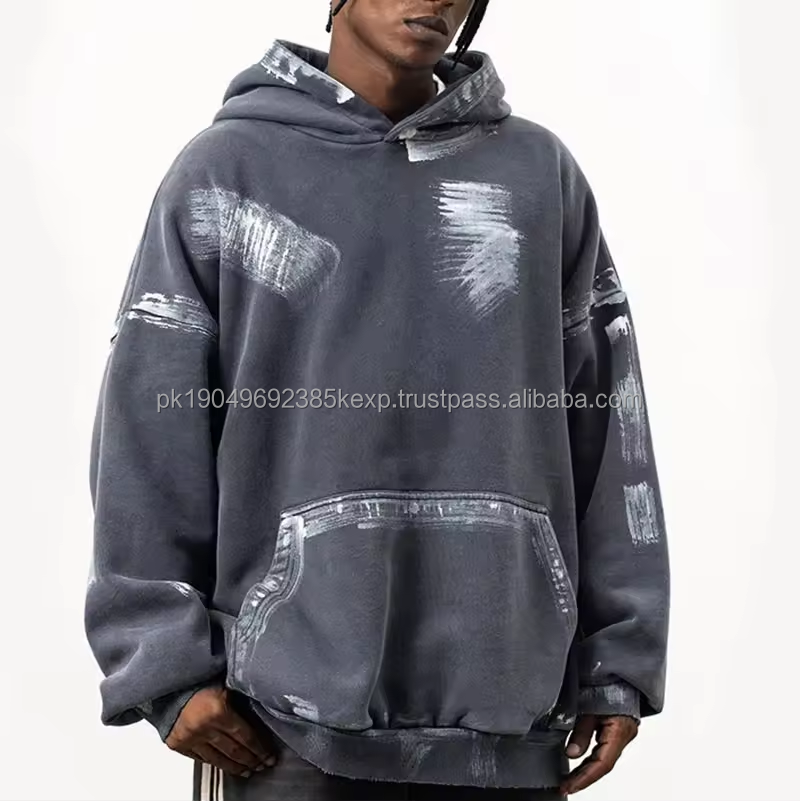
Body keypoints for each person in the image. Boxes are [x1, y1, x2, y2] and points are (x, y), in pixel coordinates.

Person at [85, 1, 671, 798]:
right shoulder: (226, 171)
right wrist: (162, 662)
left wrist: (619, 660)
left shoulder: (541, 176)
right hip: (282, 730)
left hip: (510, 724)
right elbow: (150, 430)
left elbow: (608, 424)